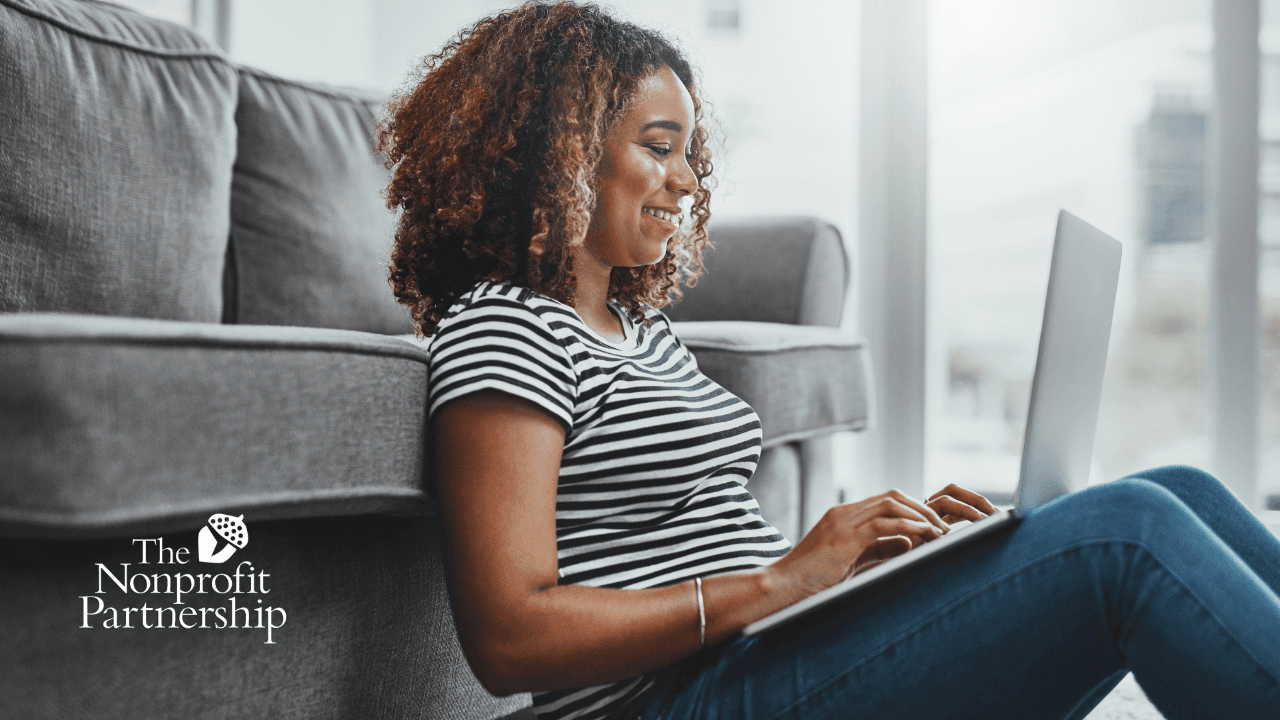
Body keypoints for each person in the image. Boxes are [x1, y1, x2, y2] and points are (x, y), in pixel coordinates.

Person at [375, 3, 1280, 718]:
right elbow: (509, 636)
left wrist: (868, 571)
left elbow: (705, 541)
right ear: (560, 156)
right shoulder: (504, 327)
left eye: (689, 154)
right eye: (659, 149)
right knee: (1125, 534)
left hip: (767, 655)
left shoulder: (635, 327)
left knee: (1181, 490)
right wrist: (782, 582)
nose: (689, 182)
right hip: (679, 699)